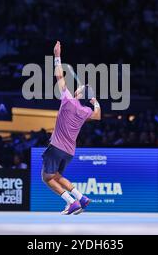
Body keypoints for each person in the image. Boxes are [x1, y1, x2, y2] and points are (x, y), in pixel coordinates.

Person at [41, 41, 101, 215]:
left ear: (78, 94)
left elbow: (59, 77)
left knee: (46, 178)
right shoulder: (85, 111)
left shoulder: (67, 99)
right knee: (56, 176)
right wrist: (95, 102)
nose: (78, 88)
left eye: (80, 88)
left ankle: (71, 202)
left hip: (56, 147)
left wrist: (57, 57)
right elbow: (98, 115)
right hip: (69, 152)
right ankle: (81, 197)